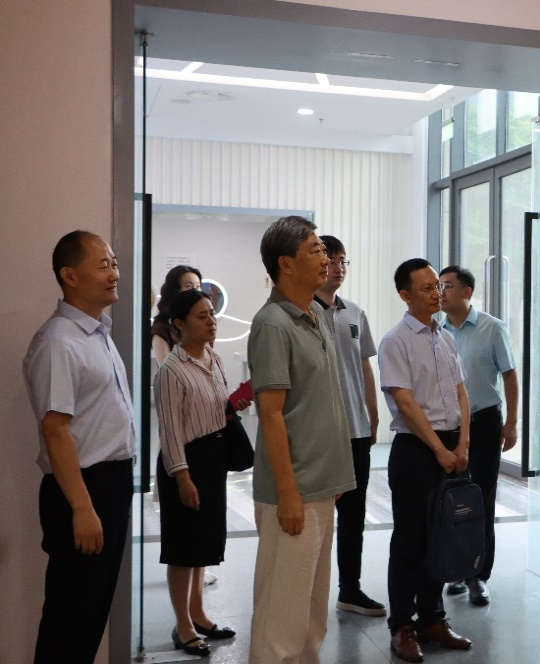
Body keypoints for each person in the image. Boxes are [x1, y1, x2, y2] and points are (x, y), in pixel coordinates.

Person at [23, 230, 136, 663]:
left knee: (89, 615)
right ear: (70, 276)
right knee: (70, 618)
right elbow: (56, 432)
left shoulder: (97, 333)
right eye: (103, 265)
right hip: (84, 490)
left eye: (114, 263)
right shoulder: (59, 341)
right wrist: (83, 508)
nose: (115, 273)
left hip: (109, 485)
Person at [247, 216, 355, 664]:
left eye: (324, 250)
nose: (326, 257)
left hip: (322, 486)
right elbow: (271, 414)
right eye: (315, 250)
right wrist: (288, 492)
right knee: (282, 617)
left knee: (311, 612)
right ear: (286, 264)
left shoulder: (317, 314)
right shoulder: (273, 324)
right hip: (292, 492)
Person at [378, 258, 473, 663]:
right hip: (417, 449)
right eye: (427, 288)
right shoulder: (395, 341)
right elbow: (404, 401)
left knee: (443, 536)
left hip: (452, 445)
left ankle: (432, 619)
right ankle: (402, 626)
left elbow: (461, 393)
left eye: (439, 286)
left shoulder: (445, 337)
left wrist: (463, 444)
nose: (437, 293)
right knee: (411, 541)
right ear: (405, 295)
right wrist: (439, 450)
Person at [155, 288, 250, 656]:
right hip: (186, 462)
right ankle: (183, 626)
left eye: (211, 313)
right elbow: (170, 431)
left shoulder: (214, 358)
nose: (211, 321)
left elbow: (217, 407)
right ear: (179, 324)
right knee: (183, 548)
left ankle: (198, 614)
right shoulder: (171, 370)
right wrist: (182, 477)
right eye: (201, 316)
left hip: (212, 459)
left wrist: (234, 402)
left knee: (203, 544)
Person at [311, 235, 386, 617]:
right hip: (321, 433)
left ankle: (350, 589)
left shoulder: (354, 312)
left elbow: (363, 365)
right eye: (332, 260)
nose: (339, 267)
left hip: (356, 428)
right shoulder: (301, 312)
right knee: (318, 517)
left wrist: (372, 413)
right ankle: (309, 593)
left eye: (344, 261)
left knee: (353, 516)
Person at [438, 265, 518, 606]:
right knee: (450, 499)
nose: (441, 292)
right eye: (439, 286)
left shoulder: (492, 327)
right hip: (449, 426)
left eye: (447, 286)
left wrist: (511, 422)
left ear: (467, 291)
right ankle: (456, 570)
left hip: (485, 422)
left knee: (482, 498)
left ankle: (478, 575)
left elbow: (510, 376)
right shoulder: (437, 330)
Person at [151, 265, 203, 365]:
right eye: (188, 286)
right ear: (174, 291)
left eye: (198, 286)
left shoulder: (200, 324)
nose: (195, 292)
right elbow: (167, 370)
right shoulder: (162, 330)